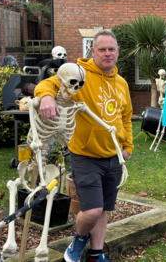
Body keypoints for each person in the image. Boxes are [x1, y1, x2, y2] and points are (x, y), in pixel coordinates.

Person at [34, 30, 133, 262]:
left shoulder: (121, 83)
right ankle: (78, 240)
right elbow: (47, 85)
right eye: (102, 49)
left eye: (111, 49)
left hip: (114, 157)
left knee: (104, 209)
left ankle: (96, 254)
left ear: (118, 52)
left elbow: (126, 117)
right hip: (86, 156)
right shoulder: (79, 74)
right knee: (92, 210)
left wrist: (127, 146)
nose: (107, 53)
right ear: (93, 51)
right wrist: (47, 97)